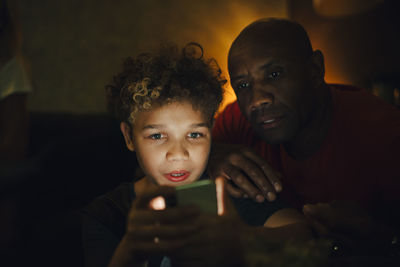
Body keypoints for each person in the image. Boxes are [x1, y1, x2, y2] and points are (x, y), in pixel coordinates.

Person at [81, 43, 320, 267]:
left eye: (194, 135)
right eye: (157, 136)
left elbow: (304, 236)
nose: (178, 154)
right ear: (129, 137)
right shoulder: (107, 212)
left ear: (211, 131)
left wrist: (242, 240)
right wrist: (132, 247)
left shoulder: (229, 193)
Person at [209, 18, 400, 260]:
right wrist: (213, 155)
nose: (257, 99)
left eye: (274, 74)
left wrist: (384, 240)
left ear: (314, 71)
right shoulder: (238, 120)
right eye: (244, 85)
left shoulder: (384, 134)